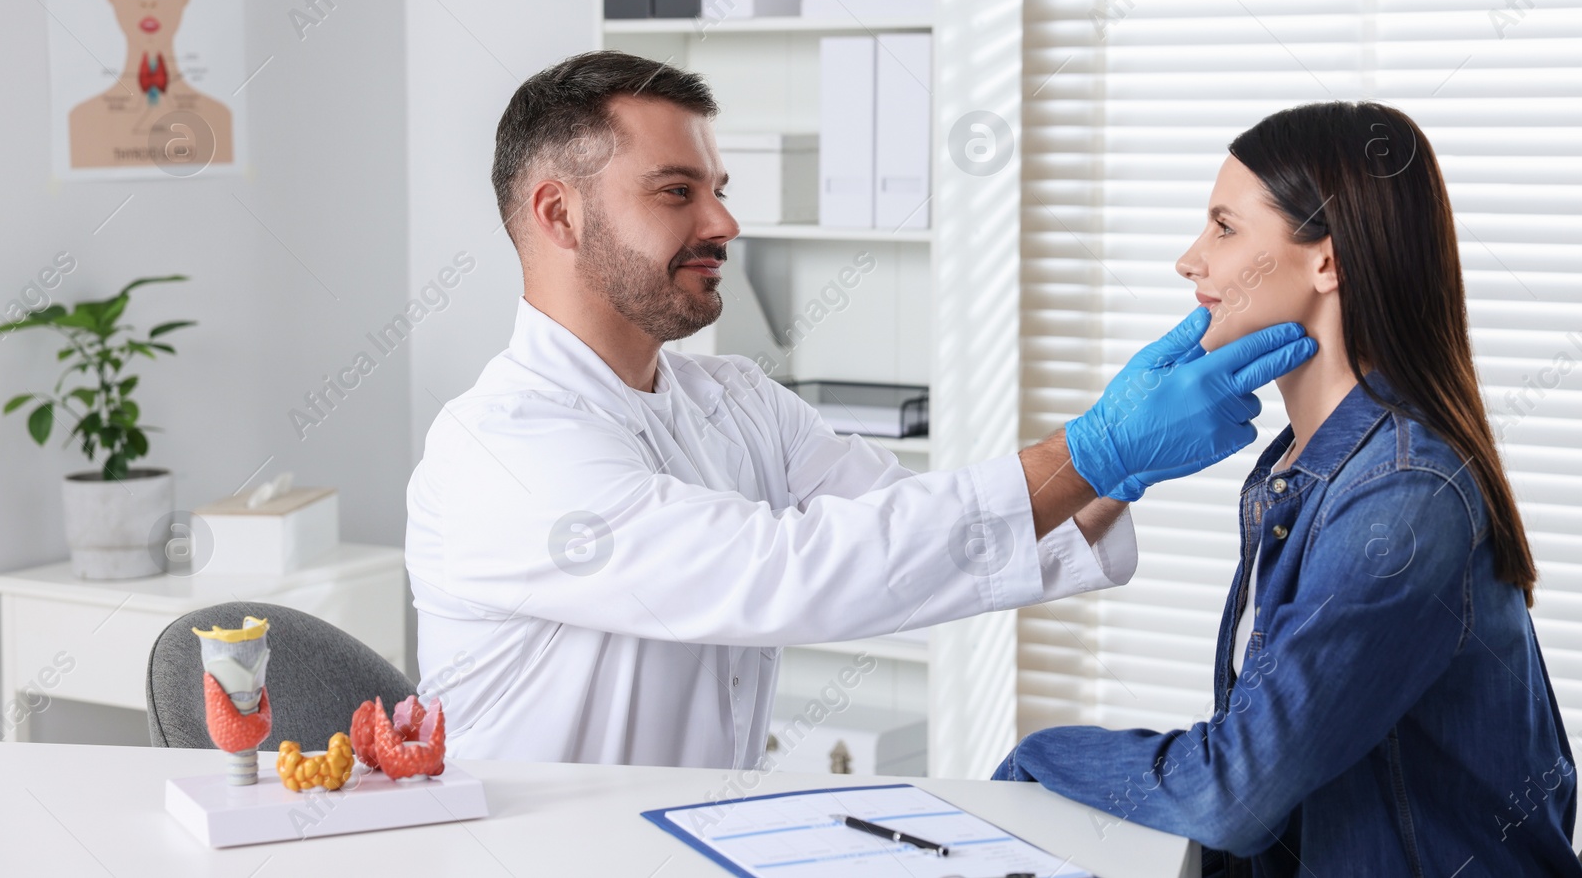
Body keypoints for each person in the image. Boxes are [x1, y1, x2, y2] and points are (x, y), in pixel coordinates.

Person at [405, 50, 1315, 768]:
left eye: (720, 190)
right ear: (559, 215)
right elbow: (791, 572)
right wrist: (1095, 446)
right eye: (678, 191)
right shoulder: (502, 452)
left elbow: (909, 542)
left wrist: (1120, 467)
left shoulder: (733, 400)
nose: (723, 223)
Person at [994, 102, 1581, 875]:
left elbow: (1233, 792)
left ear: (1327, 262)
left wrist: (1041, 754)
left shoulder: (1403, 494)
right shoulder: (1305, 465)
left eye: (1225, 228)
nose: (1190, 260)